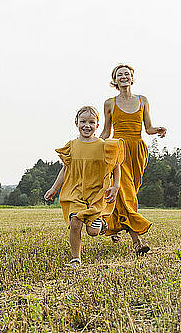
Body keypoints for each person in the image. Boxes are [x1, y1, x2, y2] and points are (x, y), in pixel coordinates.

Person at [44, 106, 125, 267]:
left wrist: (115, 186)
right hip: (75, 191)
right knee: (75, 222)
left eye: (91, 122)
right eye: (83, 121)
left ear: (97, 125)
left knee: (92, 232)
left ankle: (101, 224)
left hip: (96, 192)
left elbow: (116, 165)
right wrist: (54, 188)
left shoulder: (103, 145)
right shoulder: (72, 146)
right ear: (76, 123)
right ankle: (76, 259)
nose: (86, 125)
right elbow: (66, 169)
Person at [100, 64, 167, 255]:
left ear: (132, 78)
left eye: (126, 74)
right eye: (119, 74)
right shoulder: (109, 103)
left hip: (137, 151)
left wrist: (158, 130)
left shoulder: (143, 100)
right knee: (124, 192)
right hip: (119, 149)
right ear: (115, 80)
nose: (123, 77)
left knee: (130, 193)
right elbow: (106, 131)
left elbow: (148, 127)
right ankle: (137, 243)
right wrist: (94, 145)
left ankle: (115, 224)